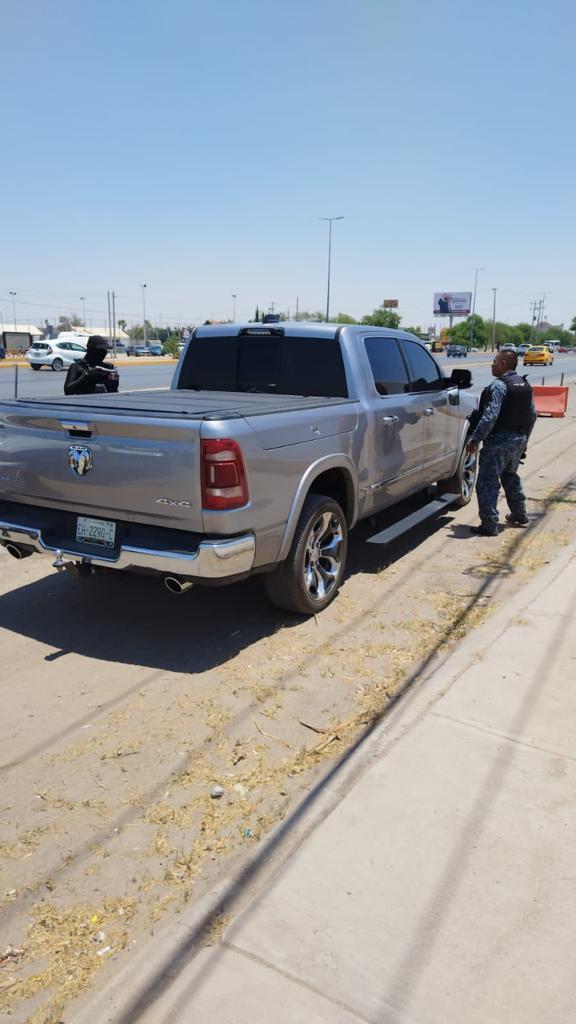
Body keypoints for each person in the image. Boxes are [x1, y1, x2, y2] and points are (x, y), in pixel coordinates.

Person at [466, 350, 536, 536]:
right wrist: (525, 441)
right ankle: (519, 514)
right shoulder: (524, 384)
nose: (492, 365)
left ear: (504, 363)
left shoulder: (499, 385)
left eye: (494, 361)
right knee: (510, 476)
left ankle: (489, 524)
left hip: (499, 442)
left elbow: (490, 416)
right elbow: (532, 415)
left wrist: (475, 439)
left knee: (487, 482)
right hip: (518, 439)